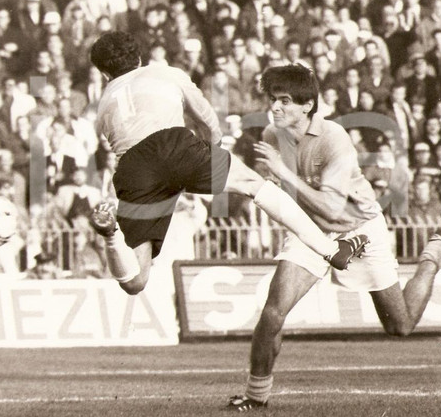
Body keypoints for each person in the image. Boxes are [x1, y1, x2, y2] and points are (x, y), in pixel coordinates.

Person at [225, 64, 441, 412]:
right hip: (311, 228)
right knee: (273, 313)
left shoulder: (334, 137)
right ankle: (256, 395)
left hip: (360, 226)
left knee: (400, 325)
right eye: (273, 100)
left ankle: (437, 251)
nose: (275, 108)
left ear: (307, 105)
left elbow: (331, 205)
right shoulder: (270, 135)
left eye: (283, 101)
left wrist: (279, 171)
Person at [87, 31, 370, 295]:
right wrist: (212, 151)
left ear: (103, 73)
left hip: (133, 168)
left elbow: (129, 148)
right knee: (255, 186)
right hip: (173, 144)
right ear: (139, 58)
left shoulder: (102, 105)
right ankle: (331, 250)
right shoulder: (164, 73)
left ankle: (110, 234)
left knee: (135, 280)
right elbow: (206, 118)